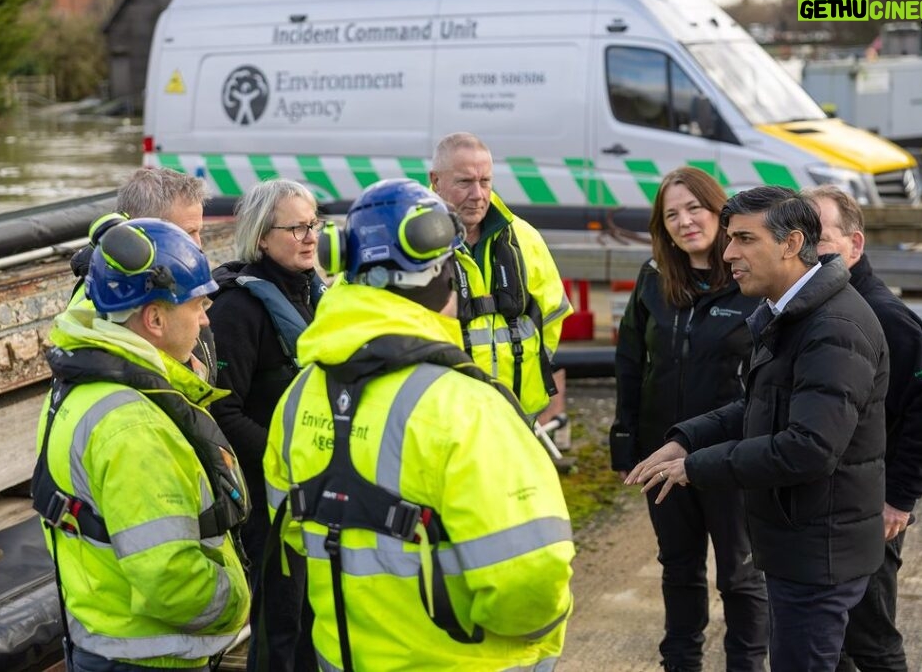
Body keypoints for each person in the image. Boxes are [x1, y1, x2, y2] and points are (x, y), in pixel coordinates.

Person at [263, 178, 575, 670]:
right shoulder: (469, 407)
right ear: (444, 273)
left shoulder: (300, 396)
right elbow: (531, 580)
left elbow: (296, 536)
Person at [626, 185, 890, 672]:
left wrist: (695, 467)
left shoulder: (832, 326)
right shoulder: (792, 313)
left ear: (791, 244)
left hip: (817, 553)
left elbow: (808, 448)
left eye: (745, 239)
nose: (728, 254)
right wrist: (684, 438)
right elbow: (759, 407)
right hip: (802, 546)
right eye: (730, 240)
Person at [31, 218, 250, 671]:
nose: (206, 318)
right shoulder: (134, 425)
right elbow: (169, 579)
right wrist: (238, 601)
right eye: (196, 305)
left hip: (107, 639)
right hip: (149, 656)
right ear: (154, 318)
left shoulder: (83, 381)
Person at [609, 167, 767, 672]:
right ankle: (680, 663)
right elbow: (630, 363)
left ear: (719, 211)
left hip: (731, 455)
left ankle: (745, 663)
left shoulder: (750, 282)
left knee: (741, 575)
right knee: (678, 568)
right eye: (671, 214)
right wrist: (626, 444)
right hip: (662, 451)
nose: (684, 222)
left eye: (694, 208)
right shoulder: (654, 279)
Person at [805, 185, 922, 672]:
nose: (808, 248)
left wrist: (900, 500)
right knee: (831, 640)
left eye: (820, 237)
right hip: (822, 510)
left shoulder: (885, 317)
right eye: (798, 236)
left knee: (871, 642)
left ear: (855, 244)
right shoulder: (811, 309)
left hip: (868, 513)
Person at [206, 179, 326, 672]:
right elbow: (222, 413)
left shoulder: (320, 296)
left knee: (319, 622)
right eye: (295, 227)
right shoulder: (238, 308)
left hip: (316, 488)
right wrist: (288, 460)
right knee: (282, 625)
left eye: (313, 224)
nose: (309, 237)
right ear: (260, 238)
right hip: (268, 497)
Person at [429, 132, 572, 421]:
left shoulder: (524, 238)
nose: (478, 194)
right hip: (442, 416)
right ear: (436, 181)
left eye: (485, 181)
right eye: (465, 182)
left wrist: (528, 367)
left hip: (516, 413)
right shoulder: (410, 242)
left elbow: (554, 312)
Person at [68, 167, 217, 383]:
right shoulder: (106, 304)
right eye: (186, 234)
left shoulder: (172, 282)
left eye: (199, 232)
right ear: (140, 236)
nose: (198, 245)